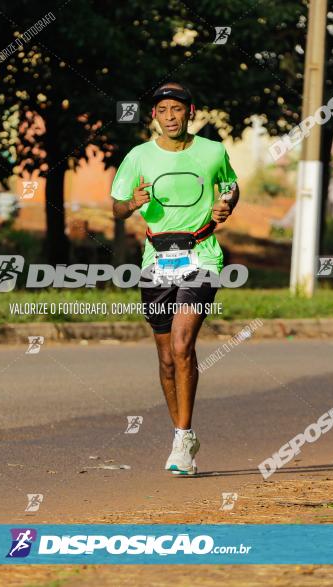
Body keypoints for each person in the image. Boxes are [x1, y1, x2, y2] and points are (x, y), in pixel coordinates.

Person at [110, 82, 239, 476]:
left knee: (183, 345)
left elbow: (232, 187)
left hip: (201, 255)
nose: (170, 116)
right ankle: (182, 431)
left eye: (177, 109)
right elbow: (115, 208)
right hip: (156, 259)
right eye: (162, 110)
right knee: (167, 358)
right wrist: (131, 203)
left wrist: (225, 205)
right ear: (154, 115)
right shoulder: (138, 156)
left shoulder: (213, 151)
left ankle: (182, 440)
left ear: (190, 112)